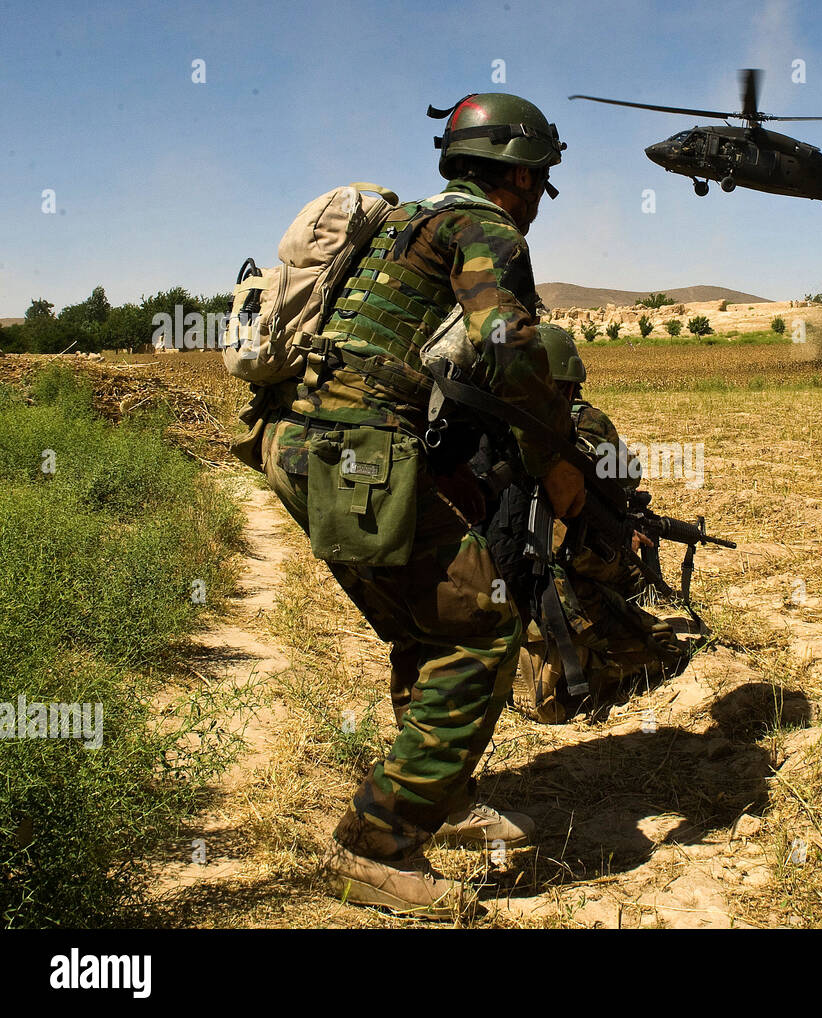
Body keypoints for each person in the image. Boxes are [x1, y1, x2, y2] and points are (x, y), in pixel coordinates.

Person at [259, 93, 581, 920]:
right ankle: (378, 844)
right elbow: (505, 345)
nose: (540, 195)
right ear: (515, 171)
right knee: (482, 628)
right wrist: (553, 460)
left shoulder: (408, 223)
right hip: (355, 452)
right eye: (540, 178)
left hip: (301, 443)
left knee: (424, 625)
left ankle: (450, 798)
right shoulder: (487, 231)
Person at [474, 324, 691, 724]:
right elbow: (630, 474)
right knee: (666, 650)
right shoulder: (586, 422)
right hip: (557, 581)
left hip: (488, 587)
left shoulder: (484, 429)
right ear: (570, 387)